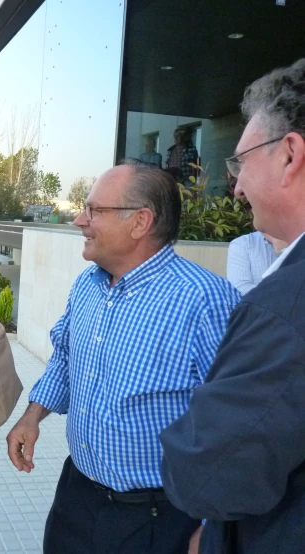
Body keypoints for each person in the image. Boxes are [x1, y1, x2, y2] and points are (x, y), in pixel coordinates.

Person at [5, 161, 241, 554]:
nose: (80, 220)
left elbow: (235, 423)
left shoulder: (205, 300)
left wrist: (211, 524)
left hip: (157, 518)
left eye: (95, 210)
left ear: (140, 222)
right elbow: (64, 356)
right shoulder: (88, 284)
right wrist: (32, 415)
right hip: (76, 496)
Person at [160, 58, 305, 554]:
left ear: (290, 154)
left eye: (241, 162)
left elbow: (205, 476)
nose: (236, 186)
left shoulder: (285, 305)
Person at [226, 230, 288, 294]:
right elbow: (239, 288)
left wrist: (284, 250)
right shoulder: (243, 244)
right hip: (261, 303)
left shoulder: (298, 240)